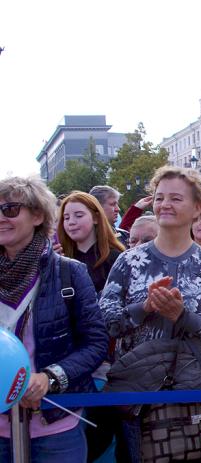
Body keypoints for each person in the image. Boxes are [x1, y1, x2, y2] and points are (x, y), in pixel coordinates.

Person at [100, 166, 201, 462]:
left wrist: (182, 316)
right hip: (136, 396)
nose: (165, 205)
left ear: (198, 208)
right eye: (160, 198)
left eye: (175, 198)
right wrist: (143, 308)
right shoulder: (129, 261)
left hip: (192, 396)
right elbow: (106, 321)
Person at [0, 176, 108, 462]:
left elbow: (96, 343)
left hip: (55, 424)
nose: (1, 218)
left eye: (10, 209)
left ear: (37, 215)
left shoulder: (69, 272)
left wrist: (50, 378)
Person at [58, 191, 125, 294]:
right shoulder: (60, 259)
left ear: (96, 218)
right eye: (66, 218)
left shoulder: (116, 258)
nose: (71, 222)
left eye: (79, 216)